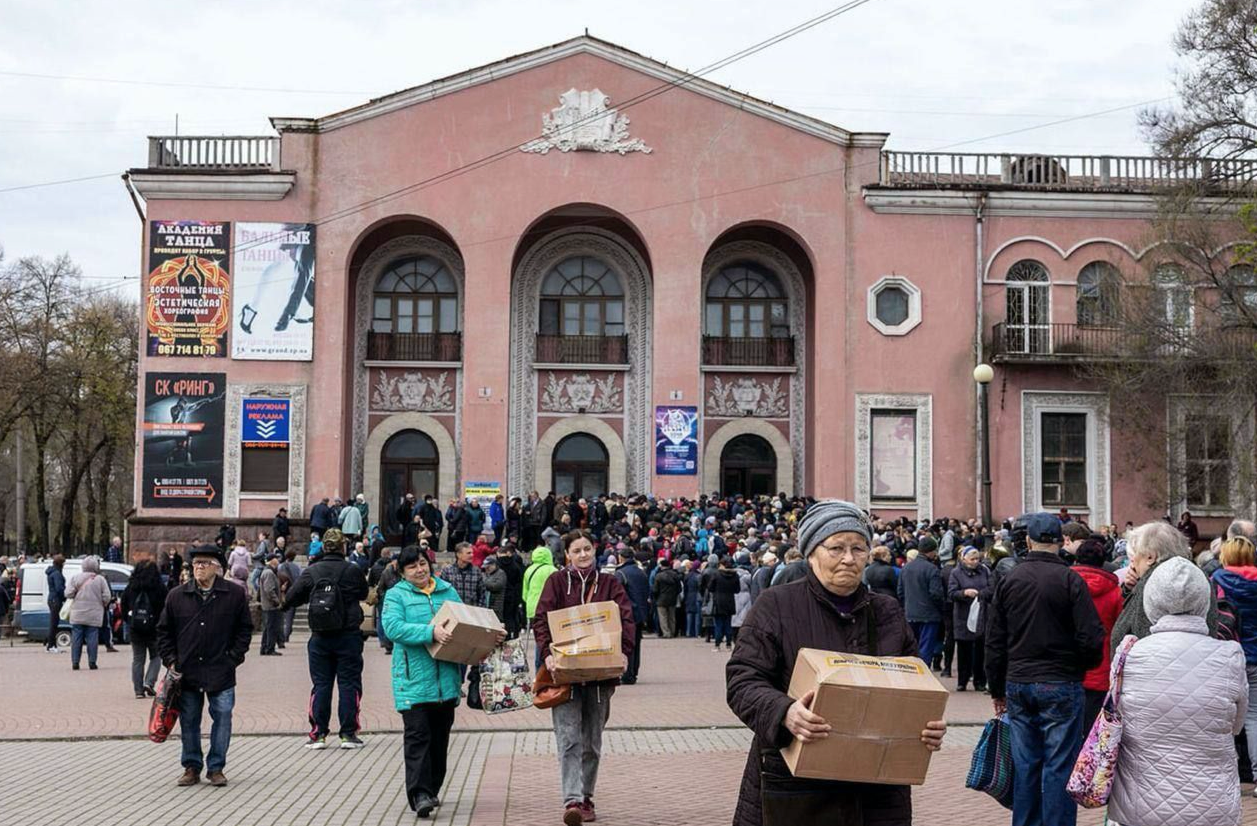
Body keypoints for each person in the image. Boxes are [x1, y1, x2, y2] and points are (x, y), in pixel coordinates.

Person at [726, 500, 946, 825]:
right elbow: (742, 681)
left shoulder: (886, 612)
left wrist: (925, 726)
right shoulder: (776, 606)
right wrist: (784, 711)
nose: (848, 558)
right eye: (836, 547)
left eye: (859, 548)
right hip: (796, 788)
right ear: (812, 552)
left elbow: (913, 686)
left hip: (876, 794)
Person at [1108, 557, 1249, 826]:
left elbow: (1118, 717)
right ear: (1204, 601)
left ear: (1151, 600)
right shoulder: (1230, 656)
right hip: (1211, 802)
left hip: (1139, 802)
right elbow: (1236, 725)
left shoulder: (1129, 653)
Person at [985, 513, 1105, 826]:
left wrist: (996, 687)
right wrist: (1078, 666)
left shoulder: (1011, 579)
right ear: (1061, 541)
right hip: (1061, 680)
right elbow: (1092, 637)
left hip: (1020, 680)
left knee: (1026, 765)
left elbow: (994, 639)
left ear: (1027, 541)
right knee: (1060, 765)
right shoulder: (1070, 580)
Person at [384, 546, 504, 818]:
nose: (420, 570)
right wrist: (431, 632)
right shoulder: (396, 595)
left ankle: (432, 788)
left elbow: (466, 624)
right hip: (413, 682)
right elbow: (392, 627)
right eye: (412, 566)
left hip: (447, 681)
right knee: (418, 739)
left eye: (422, 563)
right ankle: (419, 793)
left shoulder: (446, 591)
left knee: (439, 741)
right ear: (402, 572)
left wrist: (491, 635)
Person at [533, 530, 635, 826]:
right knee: (568, 740)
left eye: (587, 549)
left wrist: (624, 652)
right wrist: (547, 654)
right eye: (576, 550)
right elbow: (542, 620)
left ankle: (587, 795)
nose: (583, 555)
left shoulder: (609, 584)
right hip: (564, 677)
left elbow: (626, 619)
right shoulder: (556, 583)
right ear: (567, 554)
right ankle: (572, 800)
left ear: (595, 550)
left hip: (600, 678)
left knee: (591, 741)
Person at [157, 544, 252, 787]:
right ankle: (191, 766)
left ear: (217, 569)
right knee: (189, 719)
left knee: (222, 717)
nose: (198, 567)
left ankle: (216, 767)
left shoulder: (233, 594)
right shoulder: (177, 595)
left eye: (204, 563)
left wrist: (233, 658)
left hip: (221, 670)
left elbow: (244, 630)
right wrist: (171, 660)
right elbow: (164, 632)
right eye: (195, 563)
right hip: (186, 672)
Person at [281, 528, 369, 750]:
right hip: (348, 636)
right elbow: (363, 594)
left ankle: (318, 734)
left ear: (323, 547)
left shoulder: (312, 571)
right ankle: (348, 734)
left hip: (320, 637)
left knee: (321, 685)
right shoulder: (353, 570)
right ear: (343, 547)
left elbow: (291, 597)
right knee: (349, 684)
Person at [1112, 520, 1218, 652]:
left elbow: (1132, 630)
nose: (1131, 565)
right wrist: (1130, 590)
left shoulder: (1153, 582)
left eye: (1133, 558)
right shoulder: (1196, 576)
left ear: (1150, 557)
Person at [1211, 534, 1257, 785]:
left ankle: (1228, 777)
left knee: (1224, 716)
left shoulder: (1217, 580)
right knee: (1254, 717)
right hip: (1255, 655)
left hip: (1226, 654)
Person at [1072, 537, 1122, 732]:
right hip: (1100, 668)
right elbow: (1119, 629)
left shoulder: (1063, 584)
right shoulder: (1115, 592)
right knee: (1092, 730)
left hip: (1065, 667)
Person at [439, 542, 487, 704]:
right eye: (468, 553)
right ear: (458, 554)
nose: (471, 555)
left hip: (471, 617)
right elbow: (441, 593)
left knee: (466, 653)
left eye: (472, 553)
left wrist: (480, 612)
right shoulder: (448, 571)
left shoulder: (477, 572)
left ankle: (461, 683)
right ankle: (454, 684)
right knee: (453, 651)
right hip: (453, 617)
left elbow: (482, 594)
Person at [122, 555, 167, 697]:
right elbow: (166, 608)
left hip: (136, 629)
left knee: (138, 659)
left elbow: (123, 606)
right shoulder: (159, 587)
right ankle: (149, 682)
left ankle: (138, 690)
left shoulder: (131, 587)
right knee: (156, 656)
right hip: (155, 628)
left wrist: (129, 622)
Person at [898, 536, 946, 667]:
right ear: (930, 551)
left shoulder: (906, 568)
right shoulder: (932, 569)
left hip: (910, 613)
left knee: (912, 648)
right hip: (929, 615)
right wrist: (942, 609)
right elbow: (936, 594)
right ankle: (924, 676)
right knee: (926, 649)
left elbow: (900, 592)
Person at [947, 546, 989, 692]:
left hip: (981, 613)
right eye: (972, 559)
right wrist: (964, 593)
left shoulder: (984, 571)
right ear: (964, 559)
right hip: (963, 615)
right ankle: (962, 680)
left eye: (977, 559)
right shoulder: (956, 573)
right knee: (964, 650)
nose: (975, 562)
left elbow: (990, 587)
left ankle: (979, 680)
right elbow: (951, 593)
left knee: (980, 649)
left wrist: (982, 594)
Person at [65, 554, 112, 671]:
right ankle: (92, 662)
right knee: (92, 638)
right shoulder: (101, 580)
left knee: (76, 638)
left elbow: (68, 593)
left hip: (78, 614)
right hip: (94, 614)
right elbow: (107, 596)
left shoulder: (76, 578)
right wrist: (102, 604)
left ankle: (75, 662)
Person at [614, 548, 649, 682]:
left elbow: (616, 594)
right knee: (636, 643)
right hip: (641, 612)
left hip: (627, 613)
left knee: (627, 643)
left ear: (621, 558)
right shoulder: (641, 572)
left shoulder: (620, 573)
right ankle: (634, 671)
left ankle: (627, 673)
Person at [709, 555, 740, 652]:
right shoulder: (735, 575)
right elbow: (737, 590)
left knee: (718, 624)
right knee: (728, 624)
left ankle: (717, 645)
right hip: (730, 601)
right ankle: (729, 644)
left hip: (718, 600)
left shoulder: (716, 575)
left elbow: (710, 587)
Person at [258, 554, 284, 656]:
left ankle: (265, 648)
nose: (278, 560)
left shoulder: (267, 572)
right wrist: (277, 601)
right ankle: (269, 648)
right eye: (276, 559)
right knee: (271, 627)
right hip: (271, 606)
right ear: (272, 560)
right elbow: (269, 590)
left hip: (267, 605)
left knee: (268, 627)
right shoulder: (269, 573)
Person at [651, 558, 682, 638]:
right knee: (672, 617)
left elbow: (655, 589)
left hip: (661, 599)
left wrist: (655, 597)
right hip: (672, 599)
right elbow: (679, 588)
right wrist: (674, 594)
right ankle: (672, 631)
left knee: (663, 617)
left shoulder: (658, 576)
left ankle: (666, 633)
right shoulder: (675, 575)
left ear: (661, 566)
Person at [45, 555, 66, 652]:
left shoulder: (52, 572)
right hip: (56, 600)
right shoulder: (57, 573)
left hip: (52, 598)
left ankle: (51, 644)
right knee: (54, 623)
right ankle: (51, 645)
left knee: (54, 622)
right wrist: (65, 596)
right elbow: (59, 588)